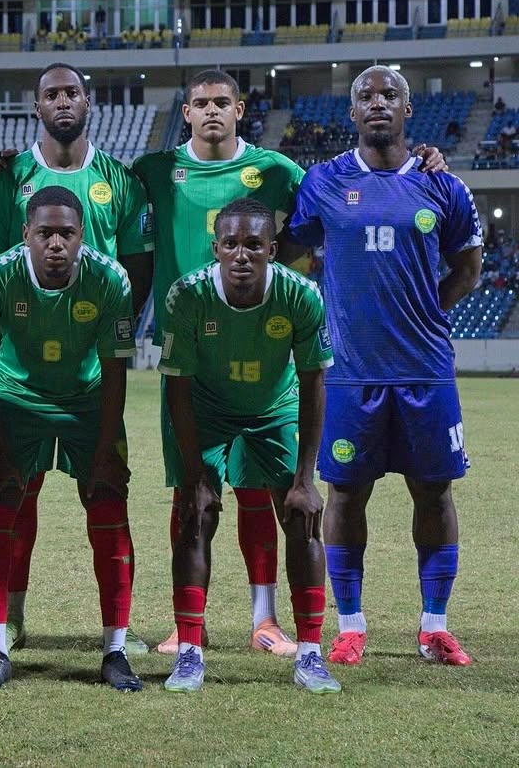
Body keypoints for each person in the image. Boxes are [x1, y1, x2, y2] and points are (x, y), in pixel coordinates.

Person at [131, 67, 446, 656]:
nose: (211, 111)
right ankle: (187, 625)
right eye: (201, 103)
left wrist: (424, 158)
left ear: (240, 109)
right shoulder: (152, 169)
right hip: (193, 354)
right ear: (186, 112)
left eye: (222, 102)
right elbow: (91, 189)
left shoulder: (277, 170)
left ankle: (265, 619)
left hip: (264, 351)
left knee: (260, 492)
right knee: (191, 494)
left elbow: (332, 205)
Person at [288, 65, 482, 667]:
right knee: (345, 495)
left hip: (425, 369)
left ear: (407, 109)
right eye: (366, 96)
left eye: (390, 94)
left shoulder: (442, 185)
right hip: (350, 373)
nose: (378, 102)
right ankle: (350, 626)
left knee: (435, 492)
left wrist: (425, 311)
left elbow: (468, 269)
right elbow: (288, 250)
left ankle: (434, 627)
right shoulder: (323, 181)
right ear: (352, 112)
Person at [0, 61, 153, 655]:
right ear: (37, 106)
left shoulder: (121, 180)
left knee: (105, 496)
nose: (63, 102)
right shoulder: (8, 178)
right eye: (51, 94)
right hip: (20, 370)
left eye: (72, 92)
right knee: (14, 496)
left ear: (88, 101)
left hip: (90, 369)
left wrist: (99, 326)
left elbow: (138, 266)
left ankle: (116, 635)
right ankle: (10, 617)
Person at [158, 198, 341, 694]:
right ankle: (190, 652)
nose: (242, 254)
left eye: (254, 245)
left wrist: (305, 479)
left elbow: (313, 384)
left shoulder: (301, 295)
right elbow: (177, 388)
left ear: (272, 251)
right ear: (216, 248)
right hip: (206, 408)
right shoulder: (187, 296)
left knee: (302, 516)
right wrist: (194, 475)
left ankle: (310, 654)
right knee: (196, 515)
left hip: (273, 407)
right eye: (232, 244)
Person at [0, 185, 142, 692]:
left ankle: (115, 651)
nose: (56, 244)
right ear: (26, 234)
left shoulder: (110, 279)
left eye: (67, 233)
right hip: (16, 397)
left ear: (82, 234)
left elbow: (115, 370)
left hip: (87, 398)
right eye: (45, 233)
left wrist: (105, 449)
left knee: (109, 509)